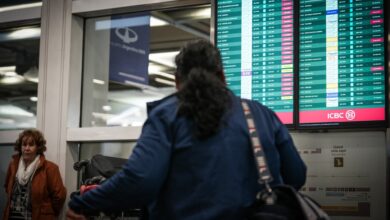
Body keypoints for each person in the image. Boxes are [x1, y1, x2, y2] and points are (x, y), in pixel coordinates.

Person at [67, 40, 306, 220]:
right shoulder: (260, 114)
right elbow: (296, 176)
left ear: (177, 81)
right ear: (222, 76)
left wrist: (83, 202)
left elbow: (141, 181)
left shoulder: (167, 116)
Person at [3, 129, 67, 220]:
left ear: (38, 147)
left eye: (31, 145)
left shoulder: (50, 168)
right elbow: (7, 188)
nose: (27, 148)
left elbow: (59, 196)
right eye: (24, 145)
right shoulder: (13, 165)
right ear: (20, 147)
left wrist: (48, 213)